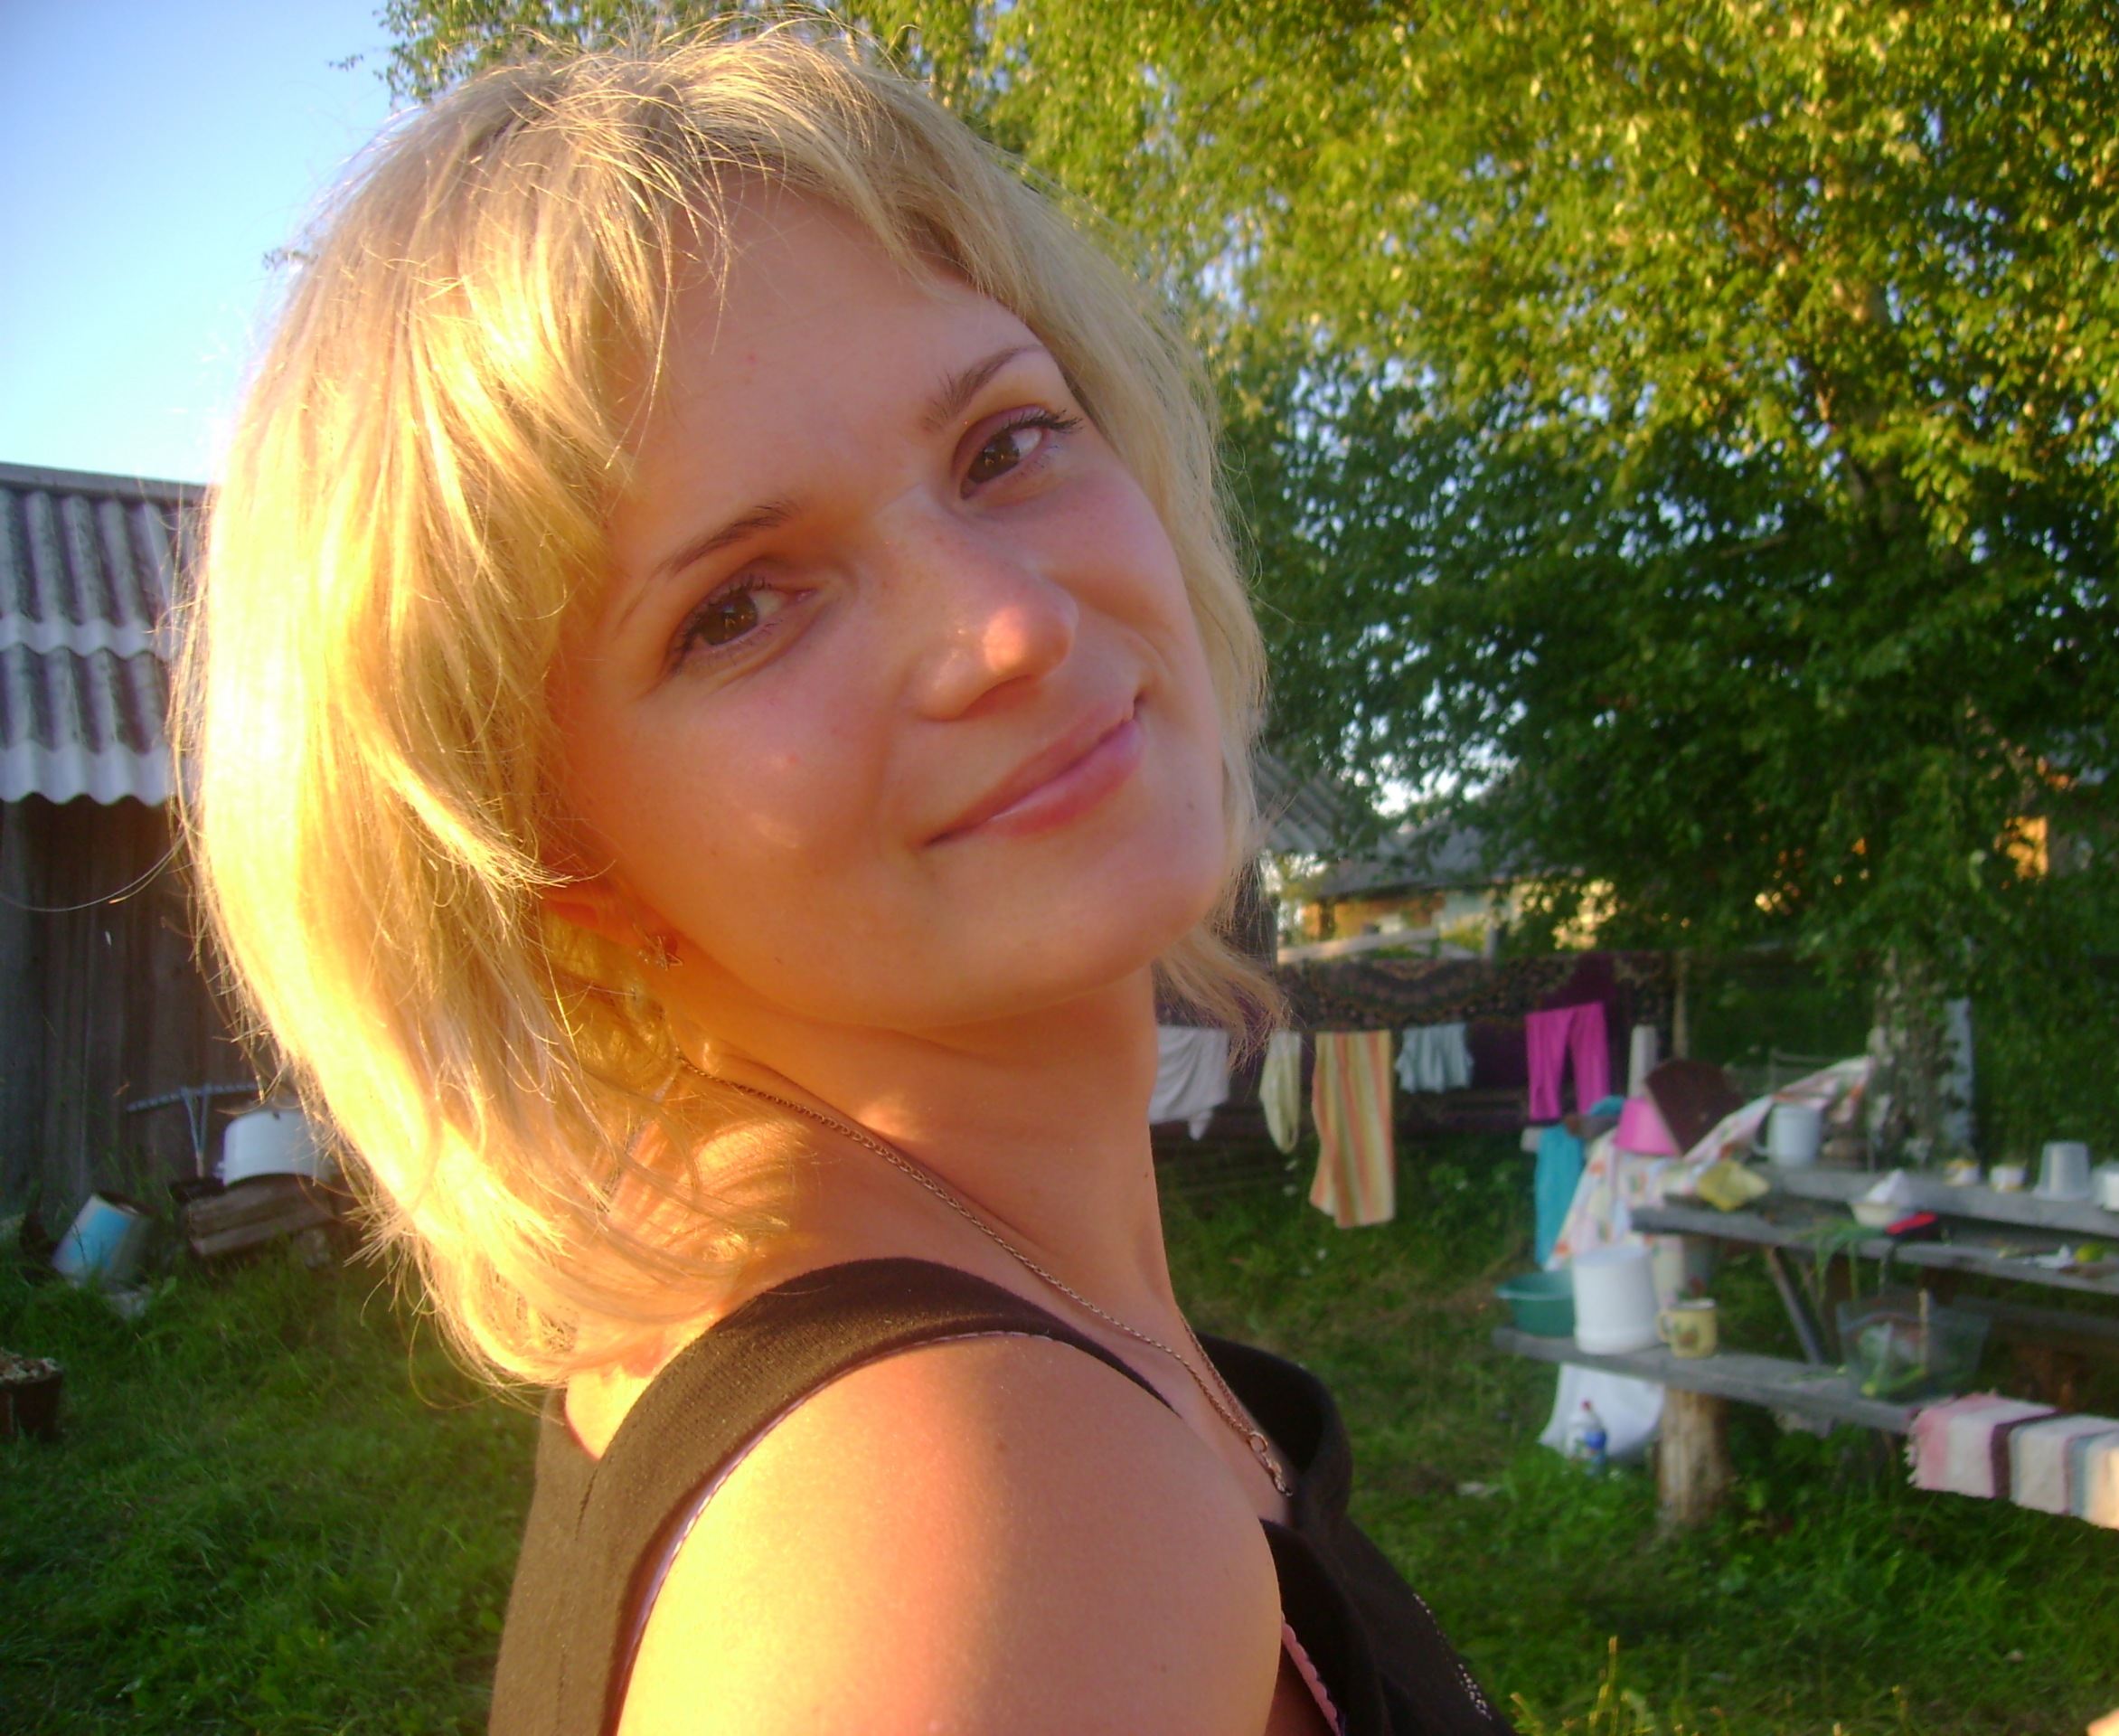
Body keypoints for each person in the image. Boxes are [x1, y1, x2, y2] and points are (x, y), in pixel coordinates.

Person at [182, 26, 1512, 1736]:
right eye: (738, 608)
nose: (1010, 626)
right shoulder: (993, 1519)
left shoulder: (870, 1350)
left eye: (1006, 444)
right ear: (554, 856)